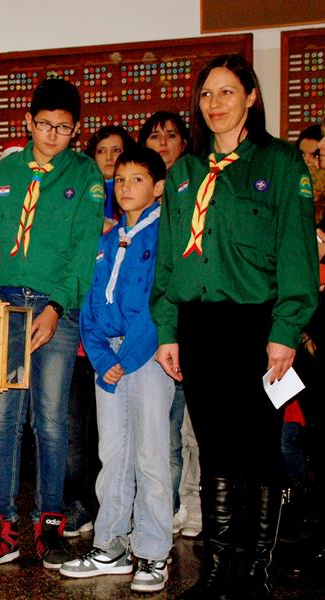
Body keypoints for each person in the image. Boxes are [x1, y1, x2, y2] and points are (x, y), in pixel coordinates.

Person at [151, 54, 318, 599]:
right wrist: (168, 329)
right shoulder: (185, 171)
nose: (215, 103)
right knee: (215, 448)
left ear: (250, 97)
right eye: (206, 94)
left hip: (258, 326)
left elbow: (296, 253)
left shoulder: (280, 163)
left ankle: (257, 576)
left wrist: (286, 330)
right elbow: (168, 261)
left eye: (226, 92)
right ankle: (218, 571)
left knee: (261, 451)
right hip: (199, 325)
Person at [0, 77, 105, 571]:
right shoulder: (7, 169)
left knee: (50, 419)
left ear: (76, 130)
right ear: (28, 122)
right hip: (5, 303)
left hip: (55, 310)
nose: (52, 135)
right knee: (3, 418)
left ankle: (50, 526)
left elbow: (84, 250)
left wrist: (56, 307)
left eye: (63, 128)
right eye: (44, 125)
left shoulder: (85, 176)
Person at [60, 146, 173, 593]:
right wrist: (103, 358)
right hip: (107, 358)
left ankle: (154, 550)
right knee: (112, 454)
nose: (125, 187)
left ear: (158, 187)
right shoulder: (106, 240)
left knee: (151, 456)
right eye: (120, 179)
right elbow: (89, 305)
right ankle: (110, 544)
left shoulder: (164, 235)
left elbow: (160, 301)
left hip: (146, 357)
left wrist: (127, 359)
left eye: (137, 179)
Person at [138, 109, 200, 539]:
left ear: (184, 142)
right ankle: (170, 504)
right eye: (154, 136)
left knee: (195, 426)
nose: (162, 142)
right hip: (150, 330)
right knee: (164, 430)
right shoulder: (135, 199)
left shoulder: (195, 187)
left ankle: (196, 503)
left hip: (192, 318)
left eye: (171, 135)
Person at [84, 125, 136, 220]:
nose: (109, 157)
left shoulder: (138, 187)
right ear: (93, 156)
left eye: (116, 150)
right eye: (101, 151)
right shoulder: (82, 187)